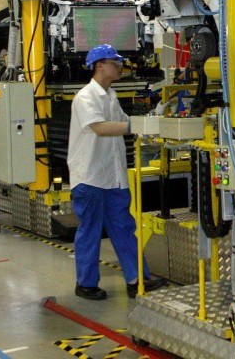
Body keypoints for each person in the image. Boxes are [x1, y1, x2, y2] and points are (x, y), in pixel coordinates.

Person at [68, 44, 166, 300]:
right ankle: (86, 283)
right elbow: (100, 127)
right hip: (89, 177)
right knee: (89, 230)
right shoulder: (86, 97)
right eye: (115, 62)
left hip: (113, 177)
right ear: (99, 65)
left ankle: (137, 280)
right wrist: (137, 124)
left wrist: (154, 121)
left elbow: (122, 123)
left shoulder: (111, 96)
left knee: (124, 228)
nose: (120, 66)